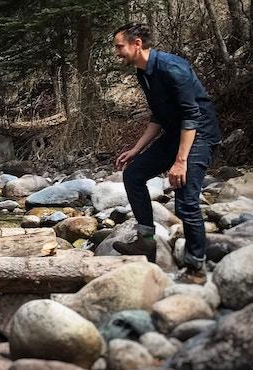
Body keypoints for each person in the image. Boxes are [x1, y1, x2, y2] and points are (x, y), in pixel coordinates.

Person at [111, 23, 221, 285]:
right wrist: (136, 150)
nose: (116, 52)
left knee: (186, 200)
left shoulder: (172, 68)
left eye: (119, 46)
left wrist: (180, 161)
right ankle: (146, 242)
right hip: (175, 133)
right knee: (134, 174)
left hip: (199, 135)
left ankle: (196, 269)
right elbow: (159, 116)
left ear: (136, 44)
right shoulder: (143, 72)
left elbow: (192, 116)